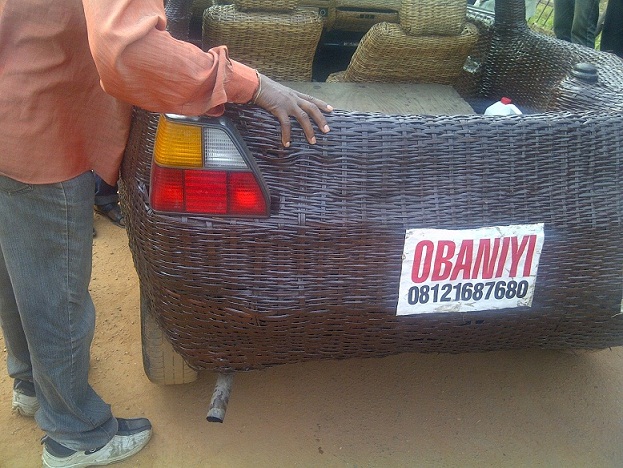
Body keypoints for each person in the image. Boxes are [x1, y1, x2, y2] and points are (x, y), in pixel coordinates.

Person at [0, 0, 332, 466]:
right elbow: (129, 54)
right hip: (42, 128)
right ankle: (75, 436)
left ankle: (32, 384)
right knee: (54, 294)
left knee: (20, 269)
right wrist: (253, 84)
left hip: (11, 113)